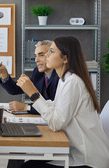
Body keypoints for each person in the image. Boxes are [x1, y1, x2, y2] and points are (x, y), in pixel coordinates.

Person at [17, 36, 109, 168]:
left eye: (52, 51)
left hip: (87, 160)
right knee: (25, 162)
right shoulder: (65, 80)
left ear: (65, 59)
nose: (47, 55)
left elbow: (56, 123)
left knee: (27, 166)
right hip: (76, 154)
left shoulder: (73, 82)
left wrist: (33, 94)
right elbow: (55, 107)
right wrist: (35, 95)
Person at [0, 40, 58, 114]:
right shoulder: (38, 73)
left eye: (41, 55)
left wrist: (26, 107)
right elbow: (15, 90)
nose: (36, 60)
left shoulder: (61, 76)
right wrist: (4, 74)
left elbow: (56, 108)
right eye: (35, 56)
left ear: (52, 55)